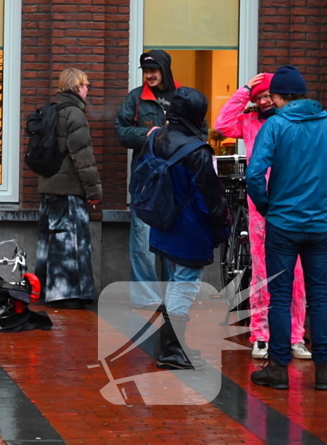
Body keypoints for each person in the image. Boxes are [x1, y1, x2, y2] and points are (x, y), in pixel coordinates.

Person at [214, 73, 310, 360]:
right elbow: (222, 125)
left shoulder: (291, 125)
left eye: (269, 95)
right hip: (259, 206)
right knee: (261, 271)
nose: (265, 101)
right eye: (260, 97)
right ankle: (261, 334)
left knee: (297, 273)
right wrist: (244, 91)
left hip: (289, 204)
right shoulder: (249, 121)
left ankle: (295, 335)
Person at [246, 66, 327, 391]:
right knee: (320, 297)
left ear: (280, 96)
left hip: (282, 224)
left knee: (279, 296)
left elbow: (254, 175)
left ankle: (278, 368)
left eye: (273, 96)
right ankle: (323, 371)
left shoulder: (276, 125)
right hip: (320, 224)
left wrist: (267, 207)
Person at [148, 87, 229, 370]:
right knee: (184, 287)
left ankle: (174, 345)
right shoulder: (197, 152)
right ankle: (170, 350)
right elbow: (212, 199)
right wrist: (223, 227)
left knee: (174, 284)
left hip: (163, 224)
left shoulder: (157, 138)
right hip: (190, 232)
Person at [115, 50, 179, 309]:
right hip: (145, 182)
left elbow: (199, 131)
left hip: (175, 181)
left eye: (154, 70)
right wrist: (147, 134)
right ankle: (147, 299)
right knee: (142, 241)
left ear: (165, 69)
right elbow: (120, 131)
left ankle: (174, 296)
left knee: (174, 240)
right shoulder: (136, 98)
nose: (149, 76)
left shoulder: (182, 97)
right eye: (145, 71)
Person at [35, 68, 101, 310]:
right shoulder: (74, 115)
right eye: (86, 85)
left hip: (49, 188)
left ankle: (45, 290)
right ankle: (67, 294)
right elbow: (83, 158)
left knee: (51, 241)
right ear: (76, 87)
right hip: (69, 190)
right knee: (72, 242)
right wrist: (94, 192)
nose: (87, 90)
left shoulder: (50, 111)